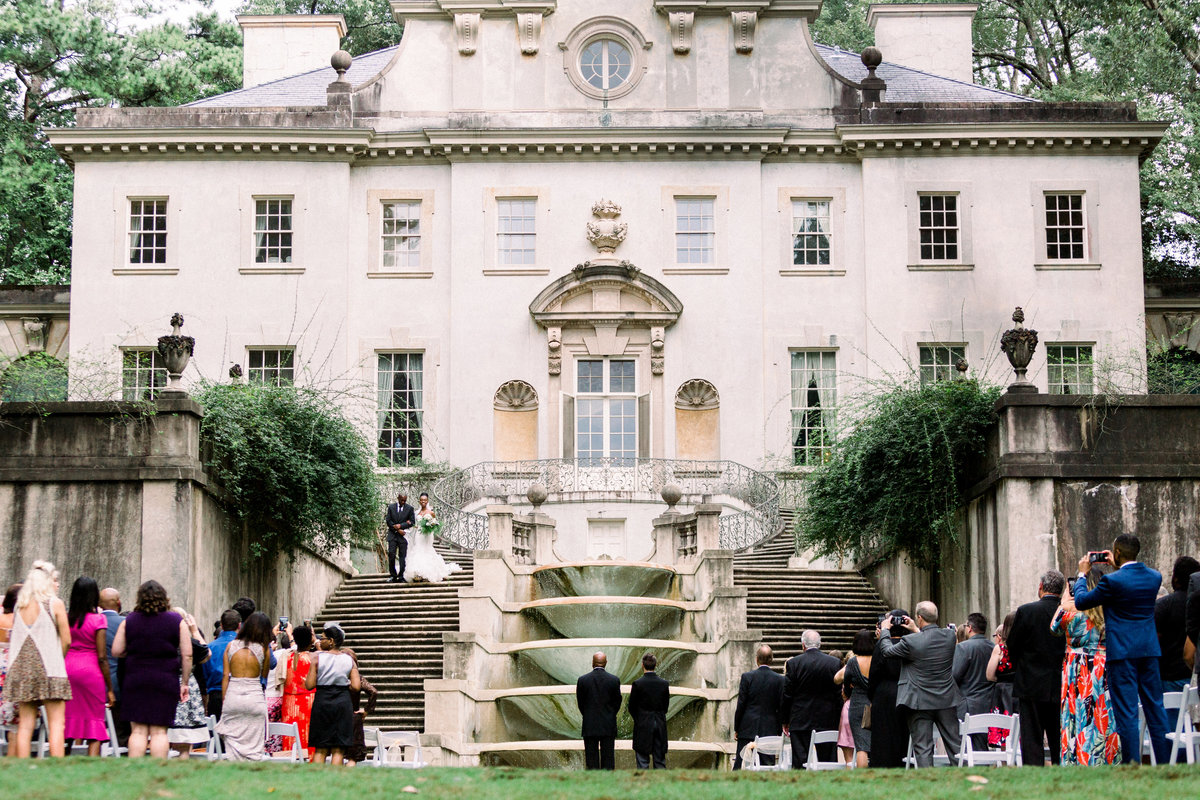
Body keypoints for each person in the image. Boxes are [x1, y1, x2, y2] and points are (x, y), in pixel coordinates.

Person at [1073, 534, 1170, 764]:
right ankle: (1165, 763)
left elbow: (1081, 601)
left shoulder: (1112, 582)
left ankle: (1132, 765)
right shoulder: (1154, 577)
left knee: (1127, 713)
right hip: (1149, 650)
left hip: (1122, 653)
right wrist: (1118, 563)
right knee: (1155, 708)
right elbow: (1132, 579)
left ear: (1116, 554)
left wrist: (1082, 574)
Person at [111, 580, 191, 759]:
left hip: (135, 679)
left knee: (138, 731)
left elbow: (116, 650)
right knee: (159, 732)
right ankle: (158, 769)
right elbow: (187, 655)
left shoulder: (129, 620)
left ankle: (136, 769)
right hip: (165, 680)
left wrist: (133, 651)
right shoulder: (177, 621)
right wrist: (184, 682)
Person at [878, 601, 962, 768]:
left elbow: (887, 651)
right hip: (946, 699)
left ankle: (928, 785)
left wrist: (885, 630)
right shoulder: (950, 636)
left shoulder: (911, 641)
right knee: (955, 745)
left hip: (919, 701)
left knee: (923, 748)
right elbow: (928, 642)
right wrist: (916, 629)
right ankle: (965, 779)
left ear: (919, 617)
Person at [1052, 568, 1119, 764]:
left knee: (1077, 712)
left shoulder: (1071, 612)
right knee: (1103, 713)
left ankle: (1074, 758)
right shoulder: (1109, 612)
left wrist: (1065, 599)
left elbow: (1053, 627)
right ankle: (1105, 759)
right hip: (1104, 667)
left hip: (1077, 668)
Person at [6, 562, 71, 758]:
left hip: (23, 670)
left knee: (25, 724)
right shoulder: (54, 603)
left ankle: (25, 766)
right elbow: (67, 640)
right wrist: (58, 658)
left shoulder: (20, 606)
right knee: (56, 724)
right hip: (50, 669)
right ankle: (57, 764)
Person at [1005, 569, 1066, 766]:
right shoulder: (1067, 612)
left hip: (1030, 682)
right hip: (1060, 682)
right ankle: (1061, 771)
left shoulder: (1026, 611)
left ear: (1041, 587)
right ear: (1062, 589)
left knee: (1032, 738)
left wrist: (1022, 667)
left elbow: (1012, 645)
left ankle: (1034, 776)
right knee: (1059, 736)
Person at [63, 577, 113, 756]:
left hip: (67, 669)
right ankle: (92, 760)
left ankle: (65, 756)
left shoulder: (66, 619)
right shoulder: (98, 620)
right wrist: (110, 689)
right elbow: (102, 657)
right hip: (90, 671)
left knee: (66, 718)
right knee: (94, 719)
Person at [214, 611, 272, 761]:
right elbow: (264, 675)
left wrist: (225, 700)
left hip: (233, 695)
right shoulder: (263, 649)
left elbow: (225, 676)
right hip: (254, 697)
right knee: (254, 746)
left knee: (232, 743)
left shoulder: (230, 646)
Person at [779, 630, 841, 768]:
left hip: (801, 718)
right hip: (827, 719)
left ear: (803, 645)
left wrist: (785, 720)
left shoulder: (794, 664)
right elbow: (838, 694)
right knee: (828, 762)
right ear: (820, 644)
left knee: (801, 761)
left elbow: (787, 694)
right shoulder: (834, 663)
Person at [305, 623, 360, 764]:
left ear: (331, 641)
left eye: (323, 638)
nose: (320, 641)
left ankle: (317, 780)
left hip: (322, 701)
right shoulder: (349, 659)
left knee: (320, 747)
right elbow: (356, 686)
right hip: (342, 702)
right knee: (338, 748)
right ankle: (334, 779)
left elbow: (309, 685)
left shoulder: (317, 658)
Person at [1156, 555, 1199, 733]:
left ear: (1175, 578)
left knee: (1172, 730)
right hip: (1193, 673)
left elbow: (1154, 640)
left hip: (1169, 676)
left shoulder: (1164, 605)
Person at [867, 610, 910, 768]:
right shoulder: (911, 643)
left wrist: (873, 696)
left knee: (883, 736)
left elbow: (874, 674)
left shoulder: (881, 645)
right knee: (903, 734)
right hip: (906, 691)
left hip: (884, 694)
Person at [733, 644, 785, 770]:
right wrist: (778, 729)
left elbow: (741, 704)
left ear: (756, 659)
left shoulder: (747, 677)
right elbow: (781, 707)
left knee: (741, 763)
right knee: (767, 765)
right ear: (771, 660)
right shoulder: (780, 680)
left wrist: (737, 728)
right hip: (769, 728)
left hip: (747, 726)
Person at [168, 608, 211, 758]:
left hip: (166, 682)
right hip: (186, 685)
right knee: (185, 734)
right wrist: (194, 631)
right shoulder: (189, 641)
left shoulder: (163, 639)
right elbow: (207, 654)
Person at [953, 612, 995, 751]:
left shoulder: (963, 647)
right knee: (983, 747)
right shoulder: (993, 648)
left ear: (969, 628)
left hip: (968, 704)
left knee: (967, 749)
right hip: (990, 702)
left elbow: (954, 675)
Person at [833, 629, 872, 768]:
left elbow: (841, 679)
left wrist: (849, 692)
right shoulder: (877, 659)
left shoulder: (853, 662)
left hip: (857, 703)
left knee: (861, 745)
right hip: (873, 702)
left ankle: (863, 777)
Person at [576, 651, 621, 770]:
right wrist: (610, 715)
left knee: (591, 762)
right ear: (606, 663)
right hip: (608, 725)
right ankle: (607, 785)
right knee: (608, 760)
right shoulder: (614, 680)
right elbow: (617, 703)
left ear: (592, 663)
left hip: (590, 725)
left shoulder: (582, 680)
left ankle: (593, 785)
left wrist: (588, 715)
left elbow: (581, 703)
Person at [404, 492, 462, 583]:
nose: (423, 501)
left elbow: (435, 524)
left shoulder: (431, 512)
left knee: (426, 550)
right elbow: (414, 524)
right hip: (418, 535)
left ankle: (427, 572)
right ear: (419, 501)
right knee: (418, 550)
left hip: (426, 535)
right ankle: (417, 573)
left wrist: (429, 527)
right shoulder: (416, 512)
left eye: (425, 500)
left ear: (427, 501)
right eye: (422, 500)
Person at [629, 652, 670, 769]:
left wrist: (640, 719)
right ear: (655, 665)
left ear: (642, 665)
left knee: (642, 761)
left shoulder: (637, 684)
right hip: (660, 724)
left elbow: (632, 707)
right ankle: (660, 785)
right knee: (660, 760)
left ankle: (643, 784)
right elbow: (665, 706)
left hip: (643, 724)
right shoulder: (664, 684)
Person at [282, 624, 317, 756]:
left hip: (289, 702)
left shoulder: (287, 658)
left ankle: (290, 758)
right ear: (310, 641)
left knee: (291, 735)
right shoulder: (313, 659)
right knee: (308, 734)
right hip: (310, 700)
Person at [340, 648, 379, 765]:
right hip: (353, 717)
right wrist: (366, 710)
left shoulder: (336, 678)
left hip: (338, 716)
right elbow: (373, 691)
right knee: (353, 757)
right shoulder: (358, 679)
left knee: (338, 753)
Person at [986, 613, 1017, 748]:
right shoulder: (1027, 647)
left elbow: (989, 675)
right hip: (1021, 689)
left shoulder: (1000, 649)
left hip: (1003, 691)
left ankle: (1006, 764)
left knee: (1003, 730)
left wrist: (1001, 679)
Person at [204, 609, 241, 720]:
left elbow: (205, 673)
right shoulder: (244, 647)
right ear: (239, 625)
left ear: (221, 625)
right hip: (238, 694)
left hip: (215, 695)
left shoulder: (210, 647)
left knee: (215, 735)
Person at [1, 583, 22, 732]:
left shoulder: (1, 618)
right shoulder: (21, 620)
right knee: (16, 722)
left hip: (1, 660)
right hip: (15, 664)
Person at [384, 493, 416, 583]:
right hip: (393, 535)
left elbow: (412, 522)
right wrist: (398, 529)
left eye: (405, 500)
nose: (403, 502)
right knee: (391, 555)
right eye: (402, 500)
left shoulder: (410, 508)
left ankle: (401, 576)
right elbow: (388, 521)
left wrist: (401, 525)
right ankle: (392, 576)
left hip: (403, 537)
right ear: (398, 498)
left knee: (403, 557)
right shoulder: (391, 507)